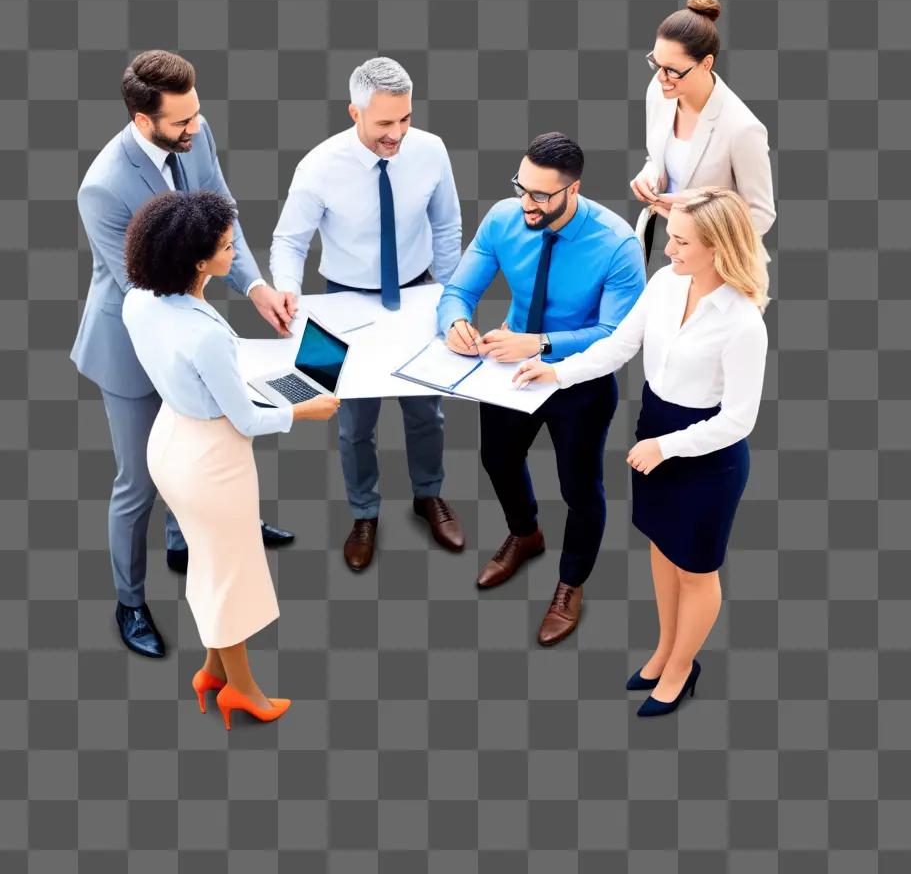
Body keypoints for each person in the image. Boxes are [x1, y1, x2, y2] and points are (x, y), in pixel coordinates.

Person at [70, 50, 299, 659]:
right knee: (139, 481)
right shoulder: (103, 188)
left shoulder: (196, 130)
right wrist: (214, 349)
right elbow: (143, 287)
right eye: (180, 122)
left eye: (197, 114)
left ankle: (184, 543)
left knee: (201, 441)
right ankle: (130, 602)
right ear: (144, 121)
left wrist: (254, 289)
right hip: (131, 342)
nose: (195, 128)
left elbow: (222, 215)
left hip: (186, 317)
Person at [516, 188, 769, 716]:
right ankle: (663, 650)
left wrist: (665, 447)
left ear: (717, 247)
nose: (668, 249)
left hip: (703, 453)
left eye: (680, 241)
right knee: (660, 545)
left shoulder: (744, 322)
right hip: (654, 428)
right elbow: (618, 346)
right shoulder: (664, 283)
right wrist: (557, 372)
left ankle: (681, 668)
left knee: (695, 568)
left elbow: (740, 420)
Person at [122, 191, 340, 728]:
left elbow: (197, 378)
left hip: (170, 441)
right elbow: (244, 421)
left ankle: (213, 672)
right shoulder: (205, 335)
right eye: (224, 246)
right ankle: (242, 689)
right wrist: (304, 410)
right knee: (232, 576)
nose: (233, 251)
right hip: (213, 463)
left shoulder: (138, 300)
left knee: (213, 562)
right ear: (198, 262)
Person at [438, 132, 646, 645]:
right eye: (521, 188)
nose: (525, 203)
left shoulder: (618, 244)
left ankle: (570, 584)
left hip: (580, 381)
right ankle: (526, 533)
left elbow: (617, 333)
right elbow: (459, 290)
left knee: (580, 488)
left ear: (572, 191)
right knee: (497, 460)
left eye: (540, 196)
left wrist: (543, 342)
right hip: (512, 371)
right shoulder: (505, 219)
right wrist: (455, 323)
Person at [267, 57, 464, 571]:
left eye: (405, 119)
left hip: (420, 290)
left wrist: (449, 296)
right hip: (341, 299)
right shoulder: (318, 165)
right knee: (352, 418)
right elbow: (289, 240)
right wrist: (287, 289)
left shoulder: (432, 150)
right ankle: (364, 513)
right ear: (353, 111)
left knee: (426, 409)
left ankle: (428, 495)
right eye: (383, 123)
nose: (396, 133)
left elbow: (446, 226)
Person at [631, 0, 776, 263]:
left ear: (706, 64)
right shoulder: (660, 90)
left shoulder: (742, 128)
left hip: (723, 264)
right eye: (656, 63)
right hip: (672, 250)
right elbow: (656, 157)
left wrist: (703, 234)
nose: (661, 77)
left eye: (672, 70)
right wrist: (650, 175)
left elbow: (760, 215)